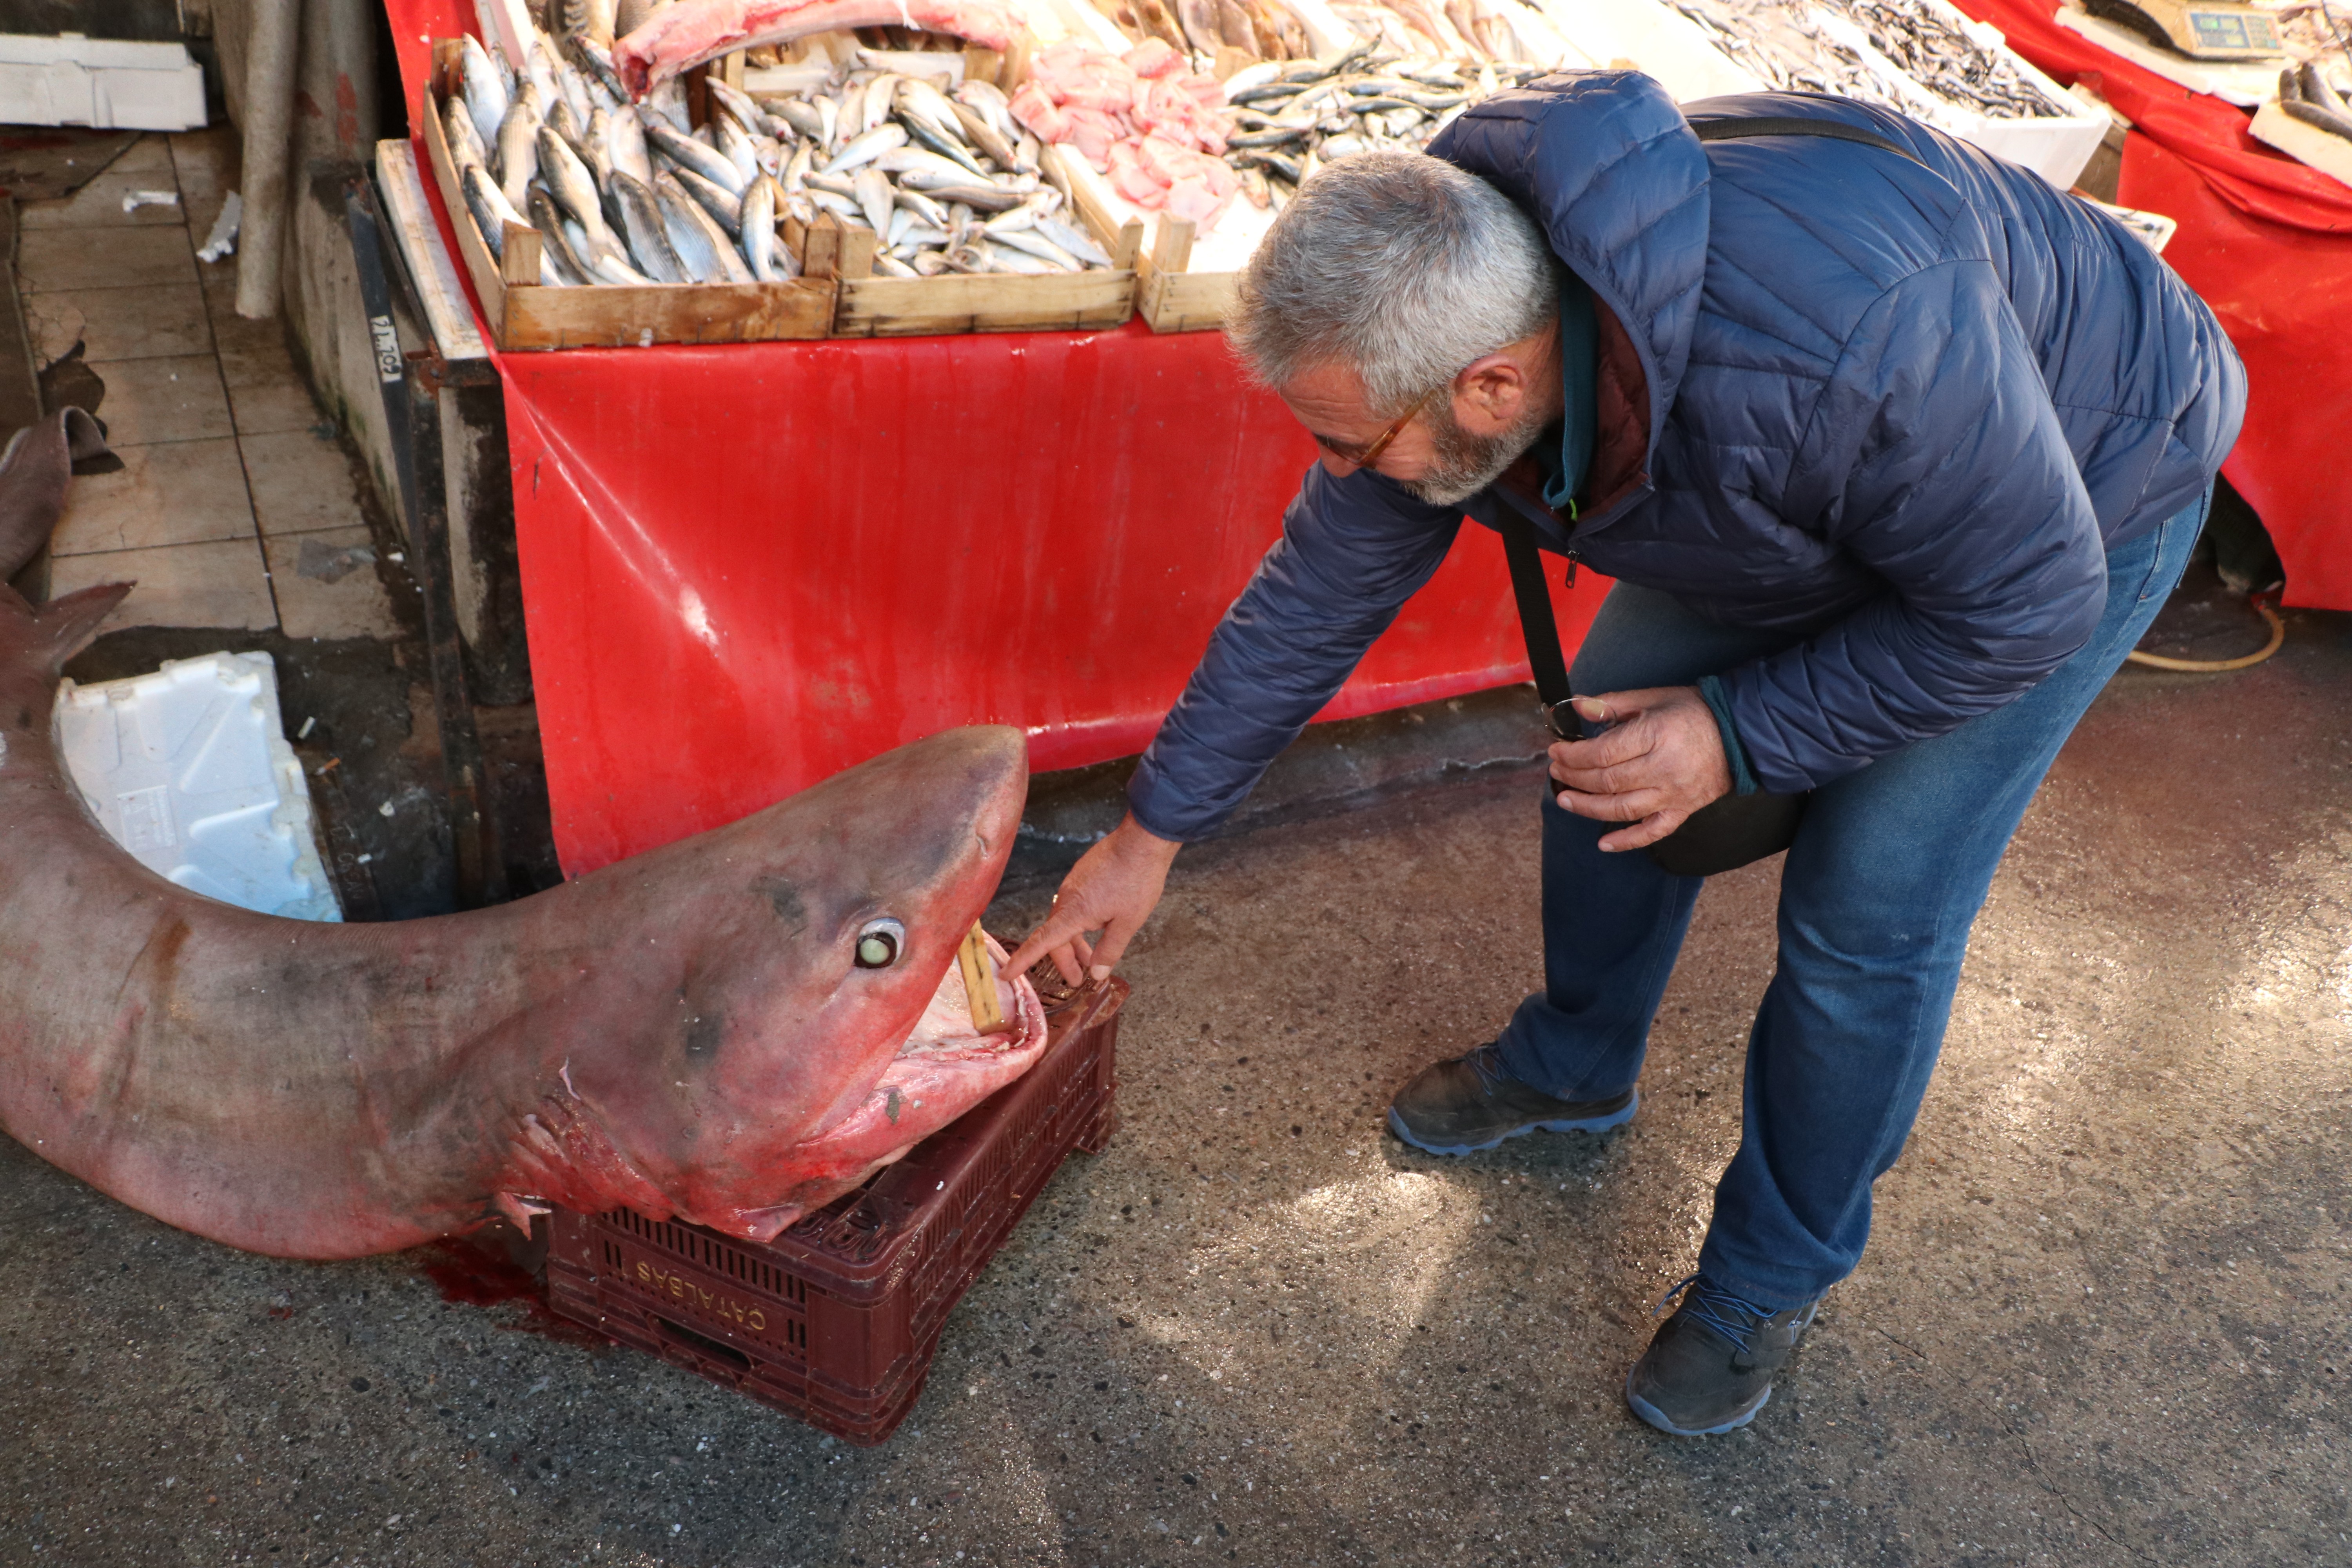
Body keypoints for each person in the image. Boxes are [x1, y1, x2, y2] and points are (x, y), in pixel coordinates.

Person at [1005, 71, 2245, 1438]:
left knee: (1868, 909)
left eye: (1347, 444)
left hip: (2077, 491)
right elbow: (1314, 594)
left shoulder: (1848, 350)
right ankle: (1576, 1060)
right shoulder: (1468, 299)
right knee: (1603, 751)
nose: (1339, 474)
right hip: (1803, 463)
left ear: (1492, 382)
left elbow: (2026, 602)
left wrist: (1740, 733)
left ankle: (1767, 1277)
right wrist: (1151, 835)